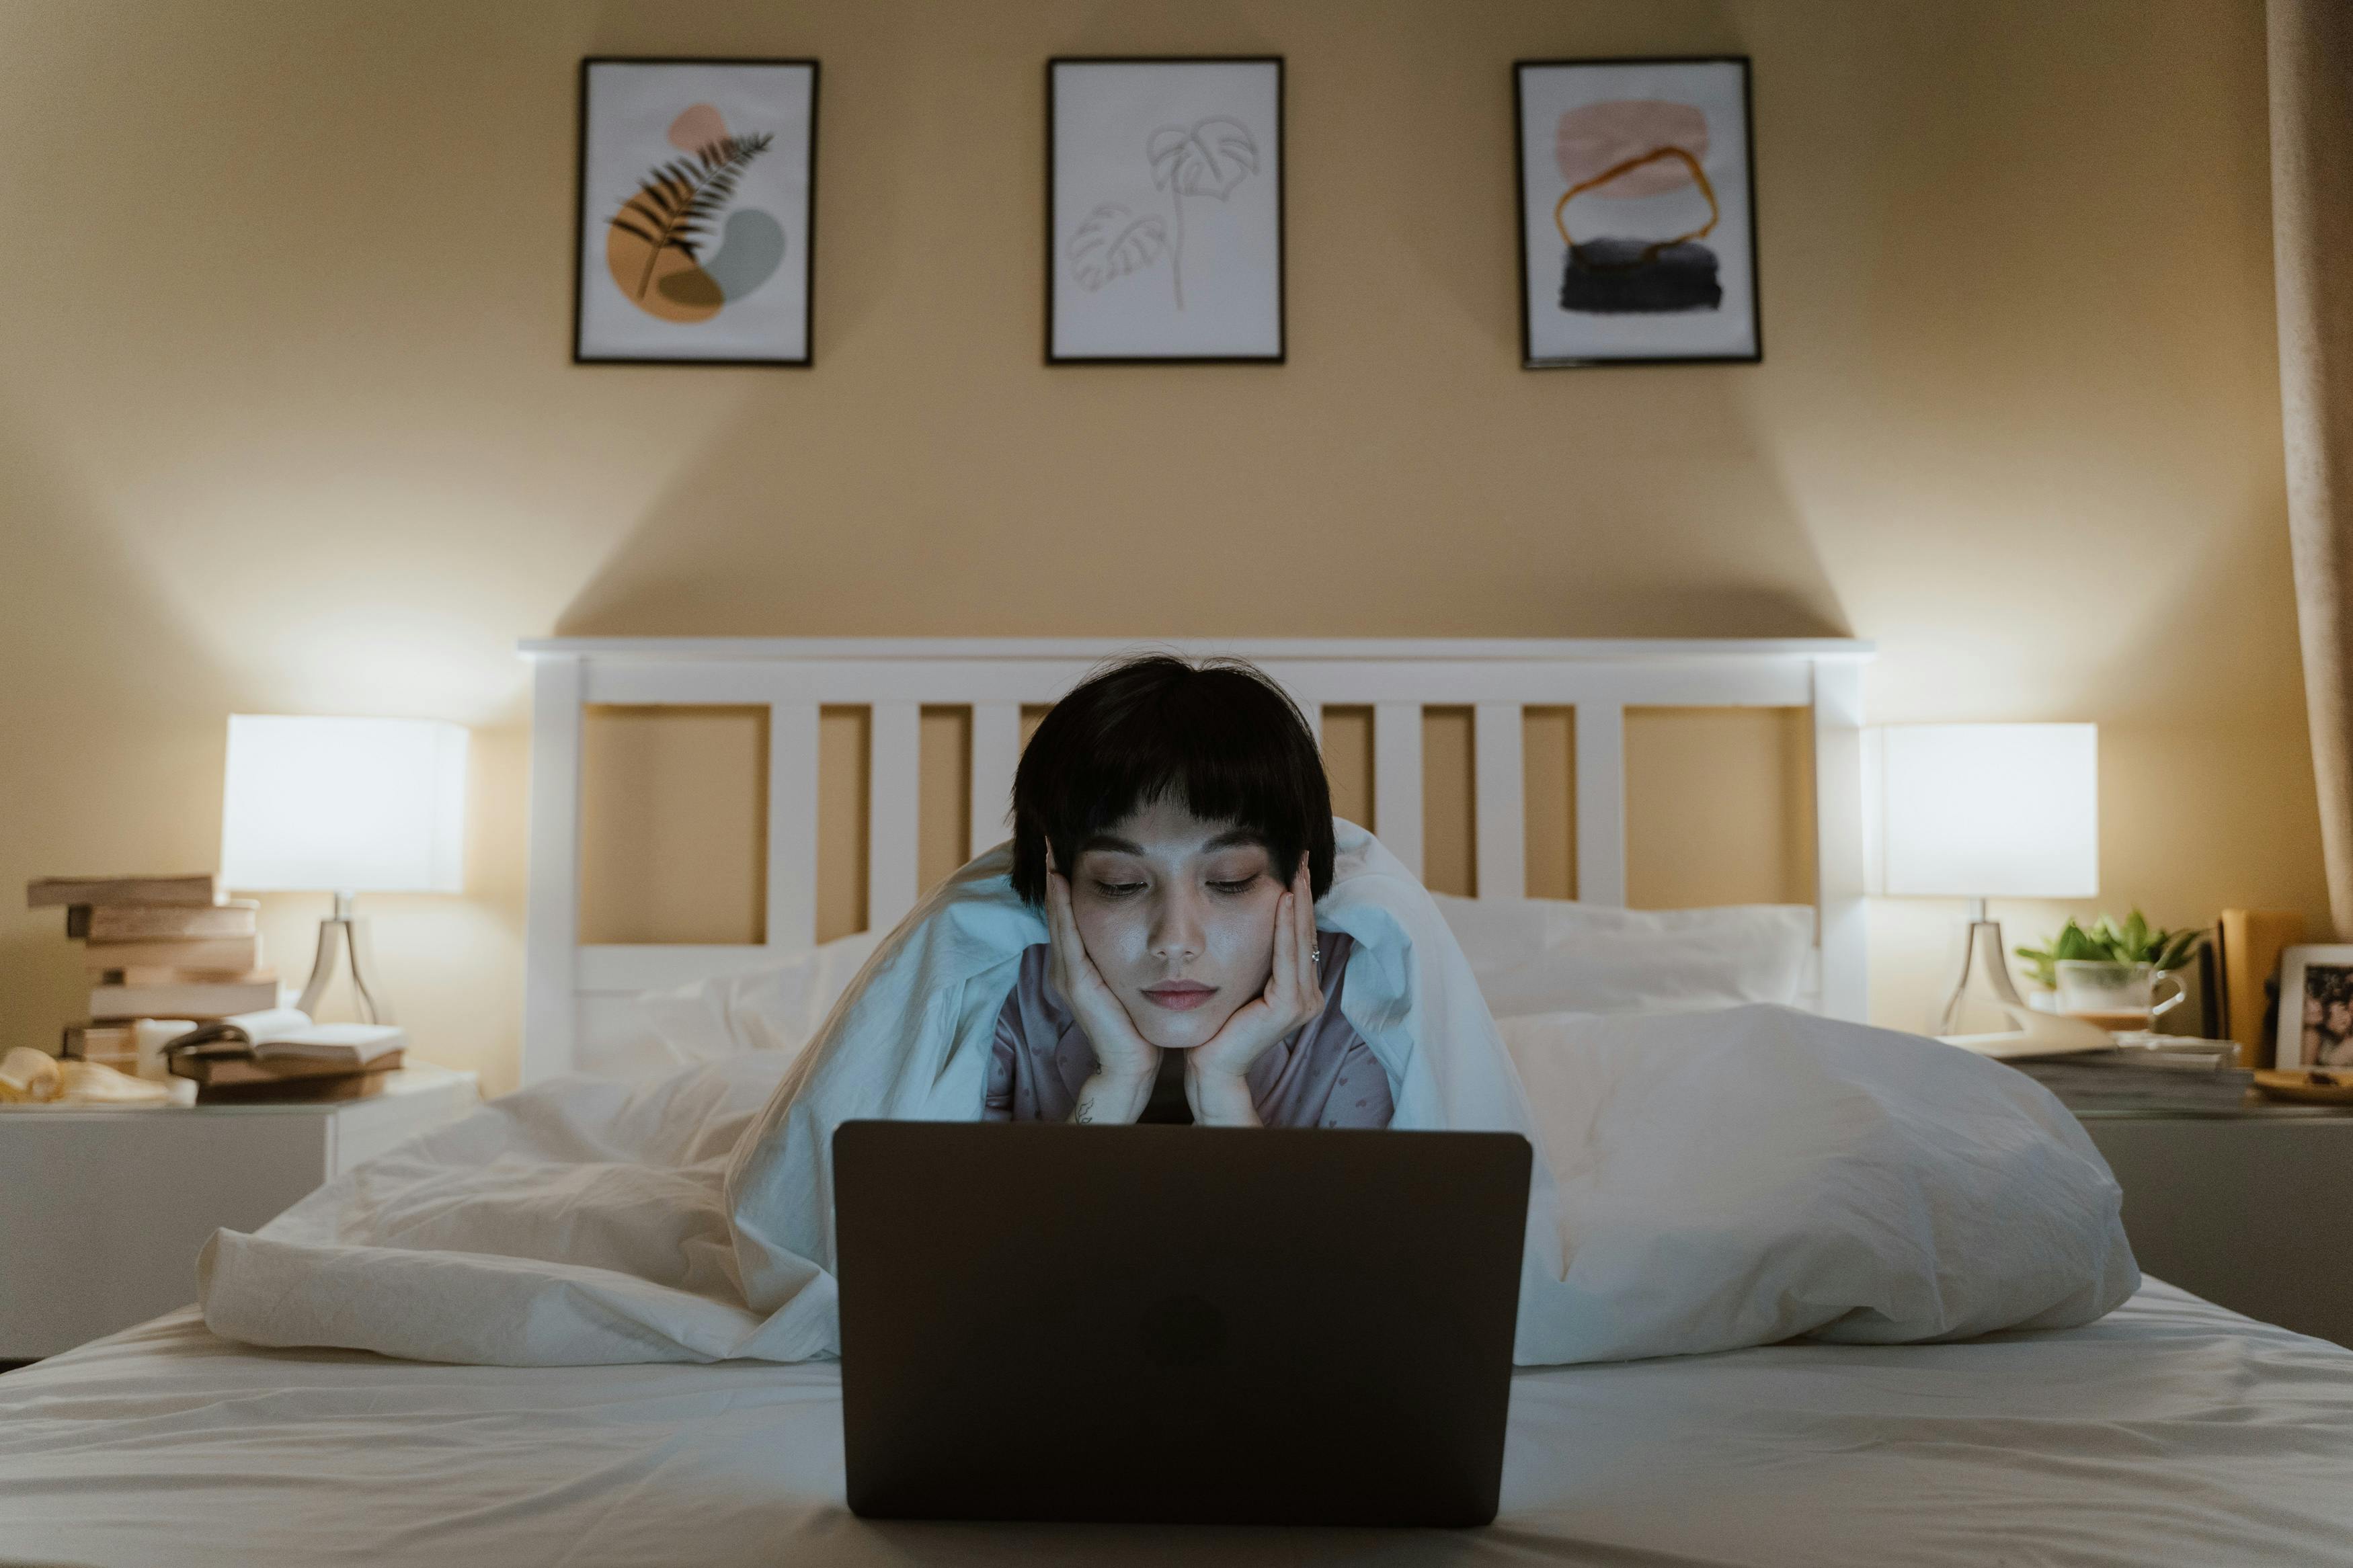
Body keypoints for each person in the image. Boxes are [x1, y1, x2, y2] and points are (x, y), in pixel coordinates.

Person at [984, 655, 1394, 1130]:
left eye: (1230, 880)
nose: (1175, 939)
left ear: (1300, 880)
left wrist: (1222, 1092)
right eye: (1122, 883)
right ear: (1056, 881)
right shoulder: (994, 993)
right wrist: (1116, 1080)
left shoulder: (1364, 1004)